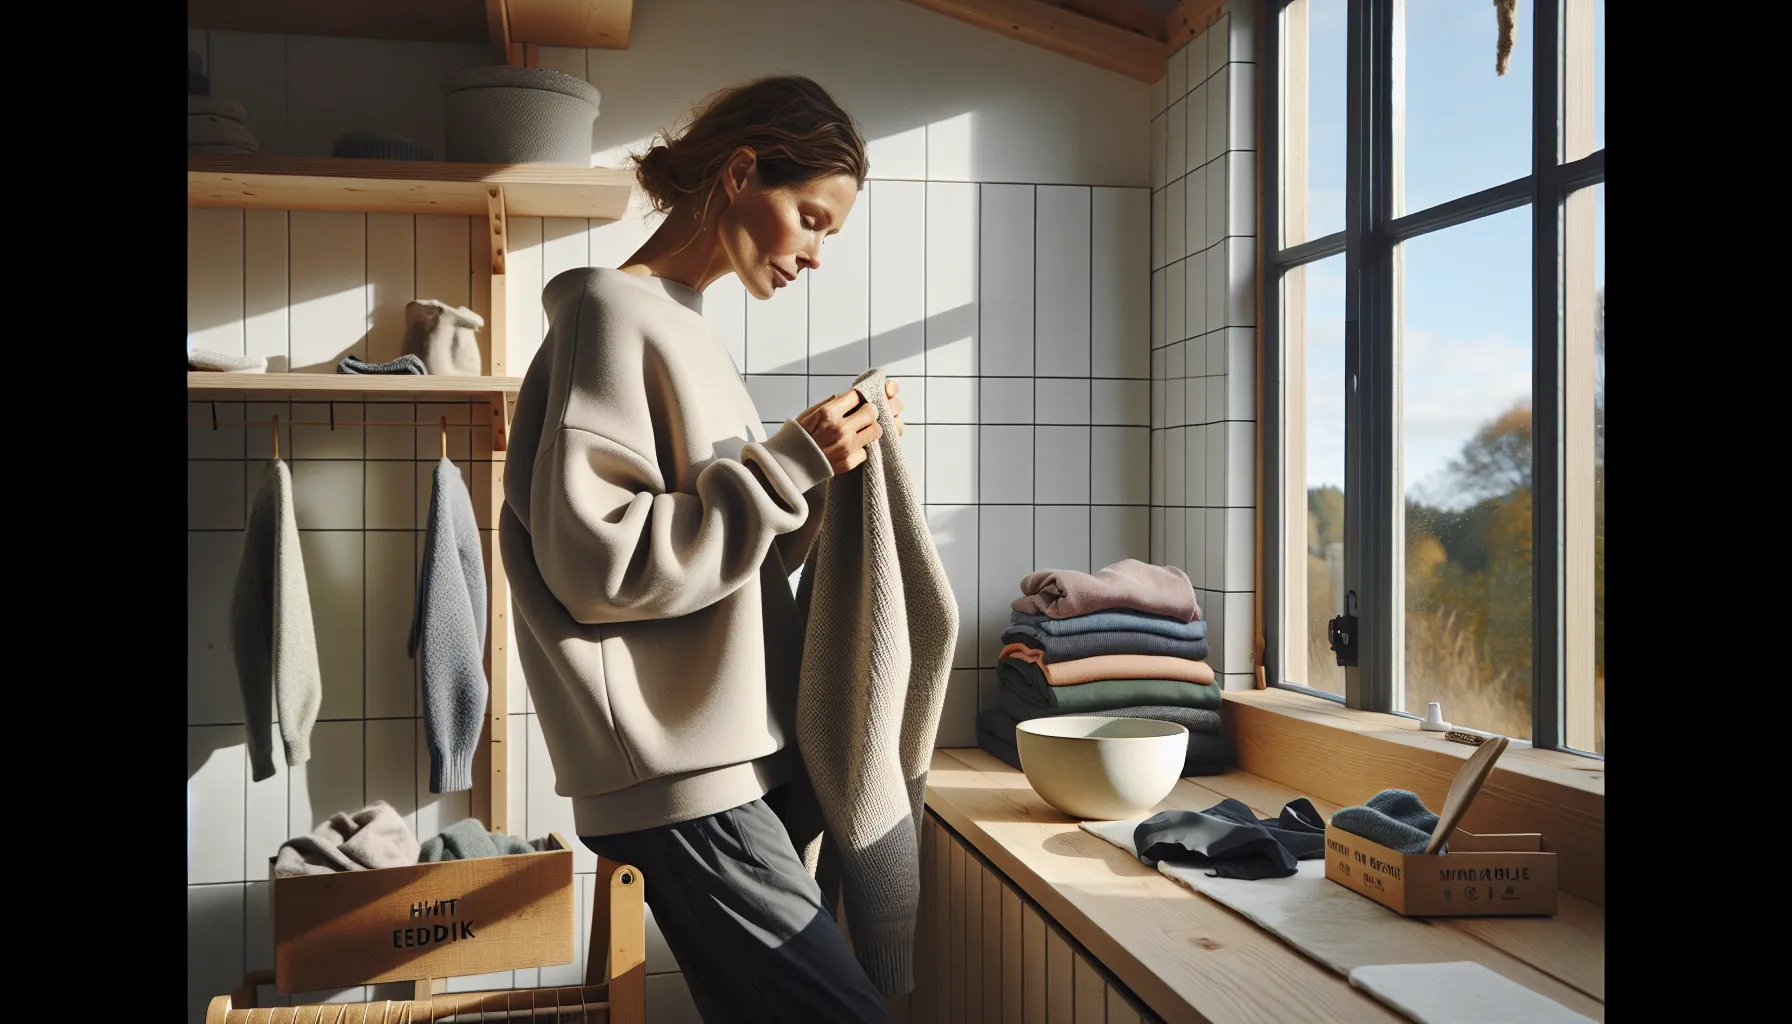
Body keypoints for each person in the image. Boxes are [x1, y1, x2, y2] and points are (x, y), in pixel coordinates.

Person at [498, 74, 901, 1024]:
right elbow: (599, 571)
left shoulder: (688, 330)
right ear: (741, 171)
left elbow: (719, 562)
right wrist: (792, 461)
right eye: (810, 218)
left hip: (710, 762)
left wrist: (817, 482)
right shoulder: (609, 314)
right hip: (676, 781)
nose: (812, 254)